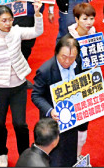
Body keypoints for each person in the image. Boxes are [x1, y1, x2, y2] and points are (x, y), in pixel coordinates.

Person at [0, 3, 45, 167]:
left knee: (20, 124)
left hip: (19, 86)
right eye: (3, 20)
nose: (8, 23)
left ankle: (24, 155)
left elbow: (37, 32)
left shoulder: (16, 31)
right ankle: (2, 153)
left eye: (10, 20)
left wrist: (37, 13)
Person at [30, 35, 85, 167]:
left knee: (70, 152)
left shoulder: (79, 65)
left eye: (72, 57)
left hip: (72, 119)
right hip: (53, 121)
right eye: (63, 57)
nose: (67, 61)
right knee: (55, 158)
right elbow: (36, 95)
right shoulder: (45, 70)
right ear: (56, 52)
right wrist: (50, 110)